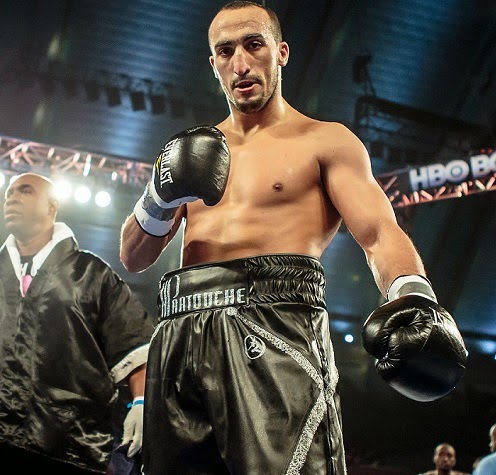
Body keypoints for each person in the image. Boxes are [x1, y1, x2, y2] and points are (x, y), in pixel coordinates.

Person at [119, 2, 467, 474]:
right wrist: (159, 196)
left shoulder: (325, 141)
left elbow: (379, 232)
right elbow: (133, 256)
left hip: (275, 321)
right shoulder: (189, 152)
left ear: (281, 52)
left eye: (253, 45)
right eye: (226, 51)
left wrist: (414, 296)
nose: (241, 63)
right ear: (213, 63)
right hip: (181, 329)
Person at [0, 172, 156, 474]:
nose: (12, 198)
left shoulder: (91, 274)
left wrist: (141, 403)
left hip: (71, 444)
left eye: (25, 191)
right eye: (9, 193)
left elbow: (135, 345)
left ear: (51, 206)